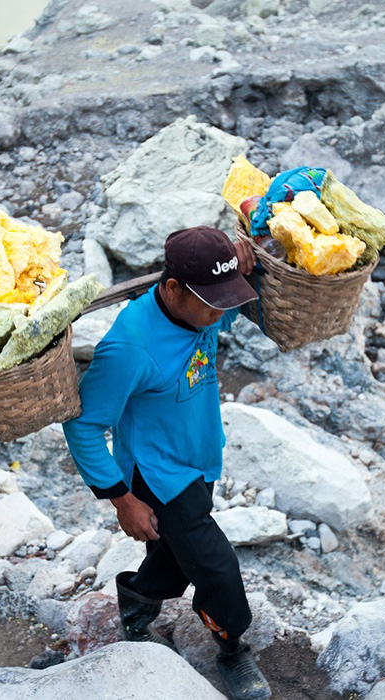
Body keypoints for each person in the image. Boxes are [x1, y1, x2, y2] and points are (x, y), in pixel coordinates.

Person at [63, 226, 272, 700]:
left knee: (175, 557)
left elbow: (227, 309)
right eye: (212, 302)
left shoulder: (204, 306)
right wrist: (122, 500)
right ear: (172, 287)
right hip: (159, 475)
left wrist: (244, 272)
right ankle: (232, 648)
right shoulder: (129, 350)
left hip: (200, 456)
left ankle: (136, 603)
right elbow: (83, 425)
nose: (221, 313)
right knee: (216, 568)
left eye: (226, 298)